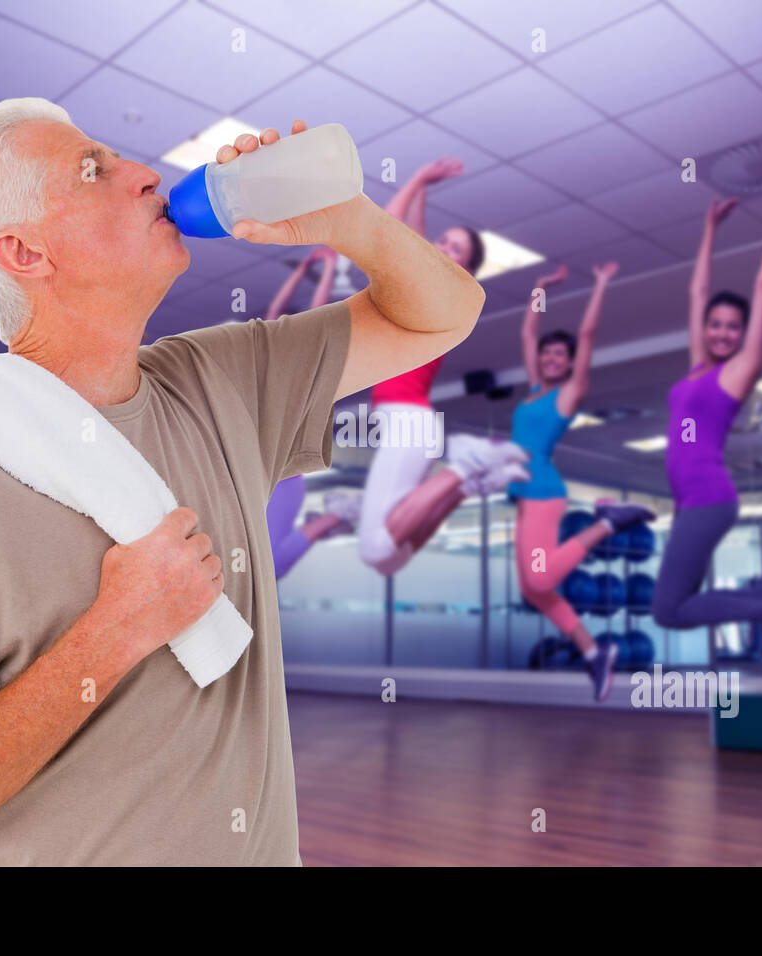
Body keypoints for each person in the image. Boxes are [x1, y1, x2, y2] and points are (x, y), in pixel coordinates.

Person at [0, 100, 486, 865]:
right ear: (24, 253)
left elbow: (443, 316)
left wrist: (351, 222)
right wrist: (115, 632)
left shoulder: (222, 379)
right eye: (93, 170)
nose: (145, 173)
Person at [650, 194, 762, 667]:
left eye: (733, 328)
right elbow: (697, 290)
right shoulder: (696, 370)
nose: (722, 334)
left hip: (710, 496)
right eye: (715, 325)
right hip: (694, 501)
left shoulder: (740, 371)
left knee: (668, 610)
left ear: (744, 333)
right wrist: (709, 226)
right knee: (675, 607)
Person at [355, 156, 529, 577]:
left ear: (465, 269)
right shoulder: (438, 294)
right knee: (392, 559)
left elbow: (387, 228)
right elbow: (412, 239)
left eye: (455, 249)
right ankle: (472, 483)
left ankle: (469, 463)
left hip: (407, 420)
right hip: (413, 423)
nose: (441, 248)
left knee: (376, 551)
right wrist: (425, 193)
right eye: (442, 240)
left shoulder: (436, 289)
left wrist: (417, 177)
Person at [508, 261, 656, 702]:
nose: (551, 358)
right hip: (524, 497)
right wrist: (538, 288)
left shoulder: (568, 394)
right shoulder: (534, 387)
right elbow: (526, 335)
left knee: (539, 581)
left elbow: (588, 338)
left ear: (570, 364)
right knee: (534, 592)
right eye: (547, 353)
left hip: (543, 492)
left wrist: (601, 286)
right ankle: (594, 655)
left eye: (560, 355)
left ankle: (609, 523)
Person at [261, 246, 361, 578]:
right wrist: (309, 269)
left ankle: (337, 517)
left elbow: (294, 314)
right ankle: (338, 515)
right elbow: (278, 313)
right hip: (283, 475)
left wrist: (314, 268)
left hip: (271, 473)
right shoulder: (276, 366)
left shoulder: (289, 371)